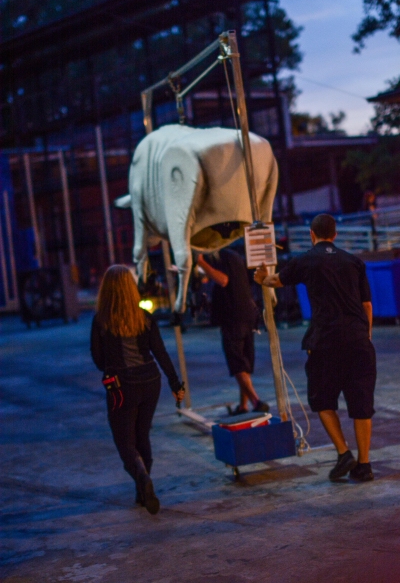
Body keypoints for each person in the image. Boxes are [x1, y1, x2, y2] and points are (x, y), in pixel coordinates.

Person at [254, 214, 376, 482]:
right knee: (361, 405)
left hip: (326, 342)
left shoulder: (307, 259)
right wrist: (364, 336)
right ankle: (364, 465)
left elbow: (276, 281)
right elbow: (367, 306)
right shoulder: (354, 262)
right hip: (359, 344)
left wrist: (262, 278)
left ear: (312, 235)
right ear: (334, 234)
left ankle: (344, 453)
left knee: (322, 399)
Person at [90, 265, 185, 514]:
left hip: (122, 386)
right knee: (143, 435)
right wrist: (176, 385)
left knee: (125, 441)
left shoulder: (101, 319)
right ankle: (142, 490)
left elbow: (98, 359)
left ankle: (141, 477)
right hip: (150, 382)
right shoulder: (144, 316)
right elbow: (160, 352)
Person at [196, 248, 270, 416]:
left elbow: (222, 280)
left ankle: (256, 401)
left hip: (233, 317)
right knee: (244, 362)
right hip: (247, 314)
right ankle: (243, 406)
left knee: (236, 363)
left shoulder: (221, 258)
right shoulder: (236, 256)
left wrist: (201, 263)